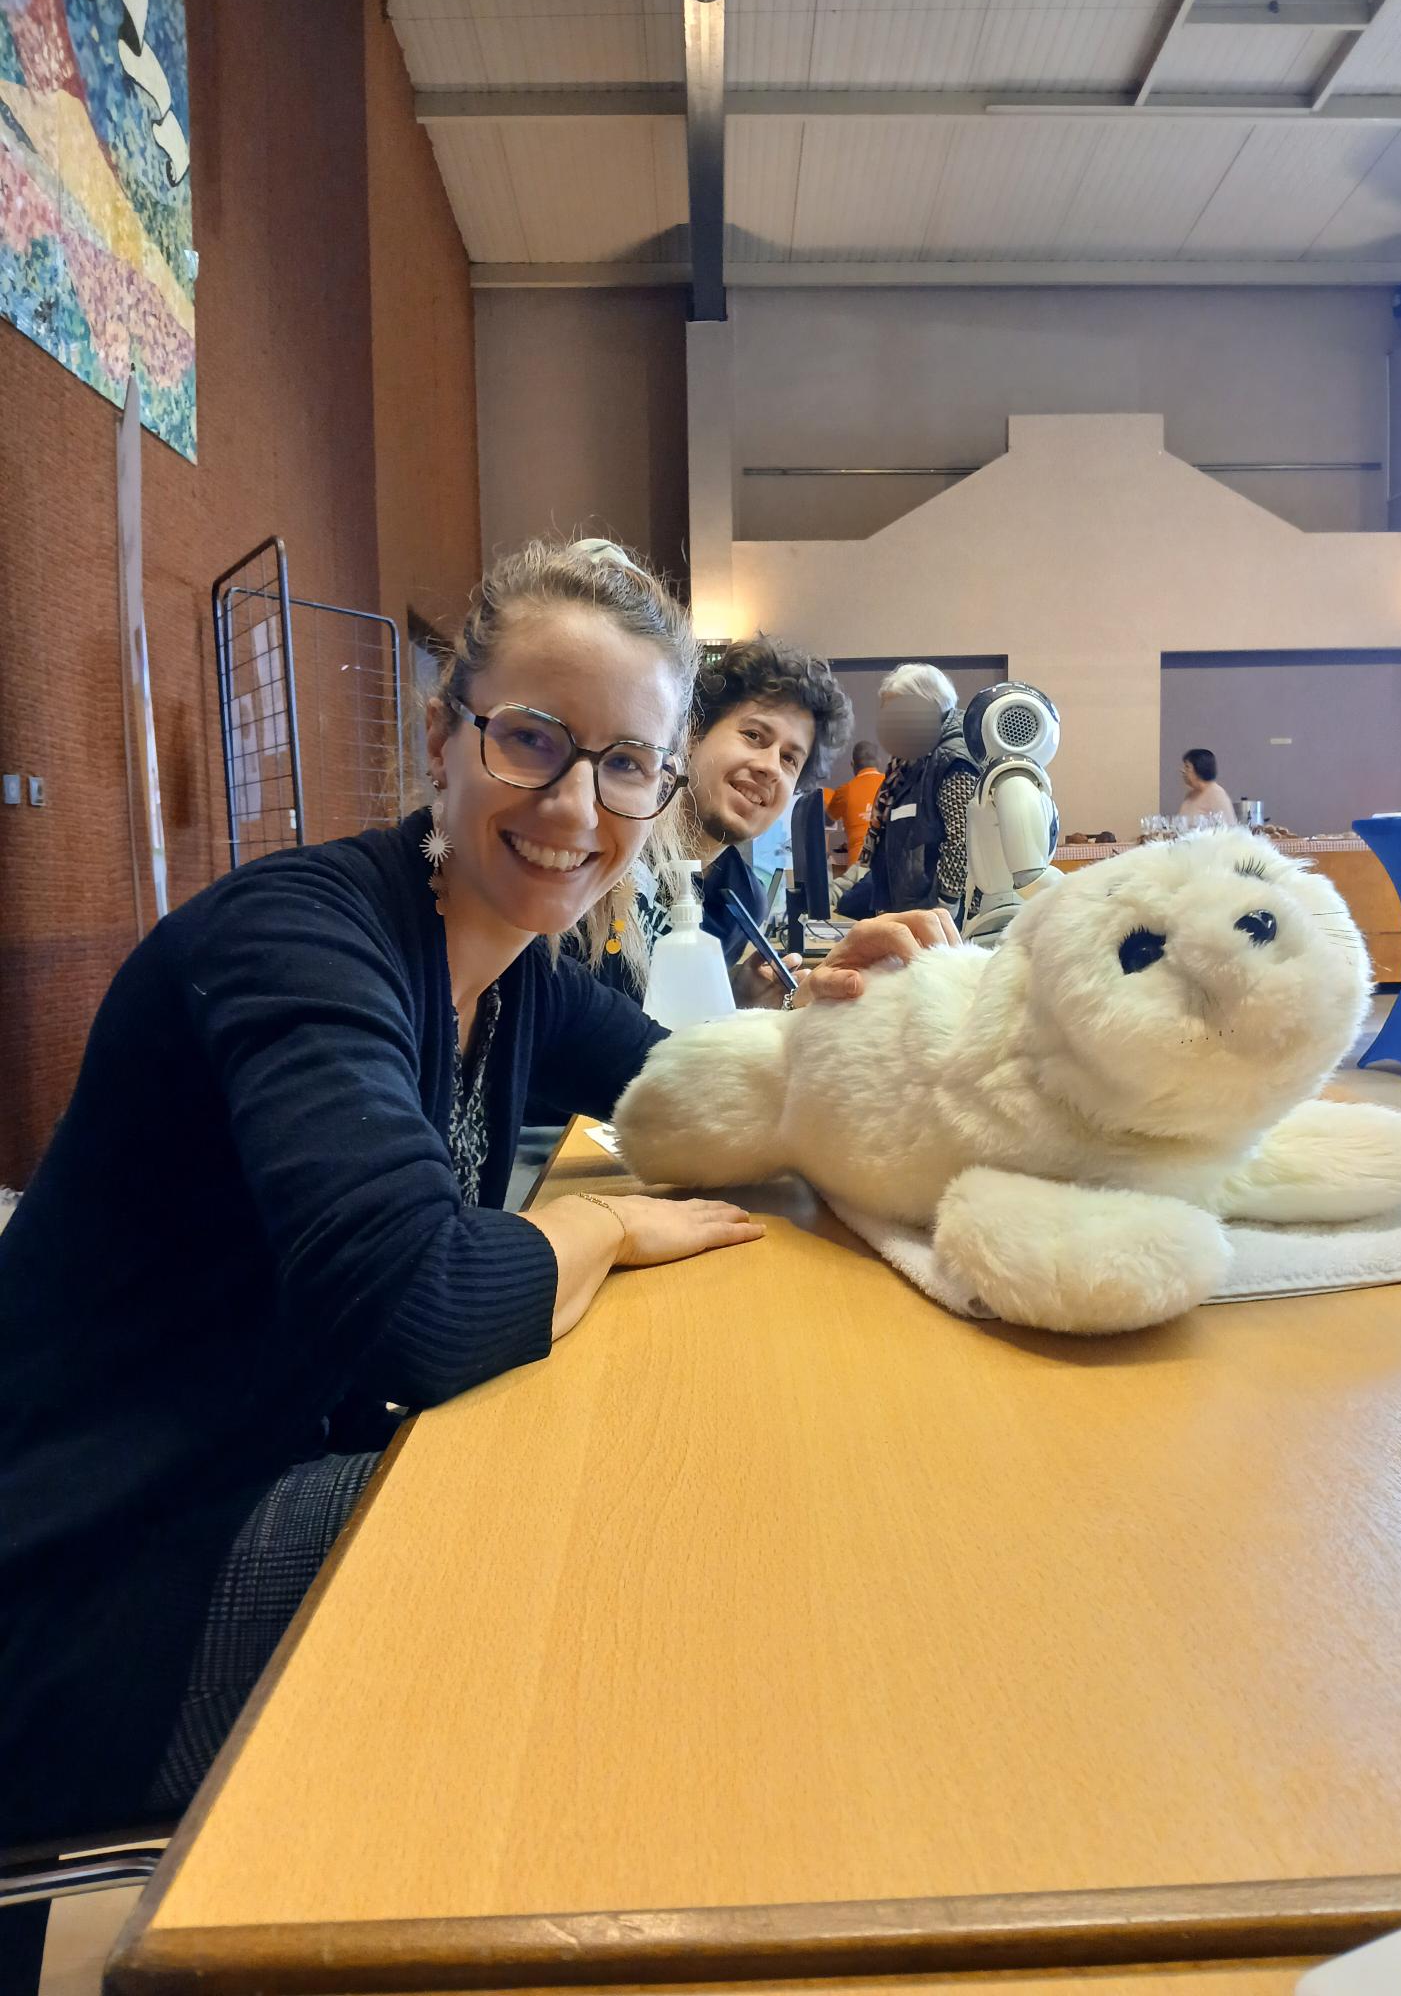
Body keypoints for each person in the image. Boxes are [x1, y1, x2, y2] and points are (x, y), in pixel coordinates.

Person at [0, 537, 948, 1886]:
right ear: (444, 736)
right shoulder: (301, 940)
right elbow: (424, 1310)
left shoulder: (514, 977)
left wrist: (854, 1022)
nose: (574, 804)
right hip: (99, 1587)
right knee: (645, 1573)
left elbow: (706, 1094)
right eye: (531, 740)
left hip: (253, 1473)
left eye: (626, 764)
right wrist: (601, 1227)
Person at [583, 635, 852, 1010]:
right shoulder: (611, 834)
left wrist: (735, 997)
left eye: (790, 759)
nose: (771, 767)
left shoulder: (741, 901)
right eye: (754, 736)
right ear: (693, 735)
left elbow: (674, 1017)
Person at [843, 663, 978, 921]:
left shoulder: (953, 759)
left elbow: (963, 841)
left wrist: (944, 907)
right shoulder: (908, 761)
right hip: (910, 907)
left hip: (937, 916)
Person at [825, 739, 884, 870]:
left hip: (858, 867)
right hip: (888, 867)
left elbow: (827, 821)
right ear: (878, 761)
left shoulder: (845, 791)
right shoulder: (891, 785)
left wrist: (827, 796)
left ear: (852, 764)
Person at [1178, 748, 1236, 826]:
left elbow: (1228, 828)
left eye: (1187, 767)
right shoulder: (1190, 794)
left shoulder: (1217, 795)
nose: (1182, 770)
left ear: (1199, 769)